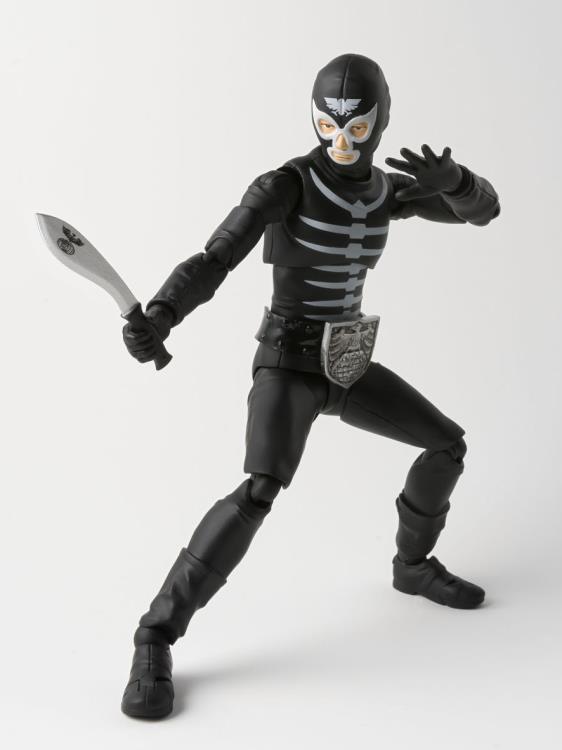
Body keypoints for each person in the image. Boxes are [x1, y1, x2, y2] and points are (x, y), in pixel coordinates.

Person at [120, 53, 500, 719]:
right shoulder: (287, 185)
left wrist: (459, 181)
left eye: (358, 126)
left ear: (381, 121)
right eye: (329, 124)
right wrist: (162, 313)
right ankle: (156, 634)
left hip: (346, 361)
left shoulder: (386, 191)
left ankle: (412, 568)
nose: (342, 139)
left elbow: (483, 213)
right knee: (260, 489)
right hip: (288, 361)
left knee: (447, 446)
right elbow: (216, 258)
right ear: (314, 118)